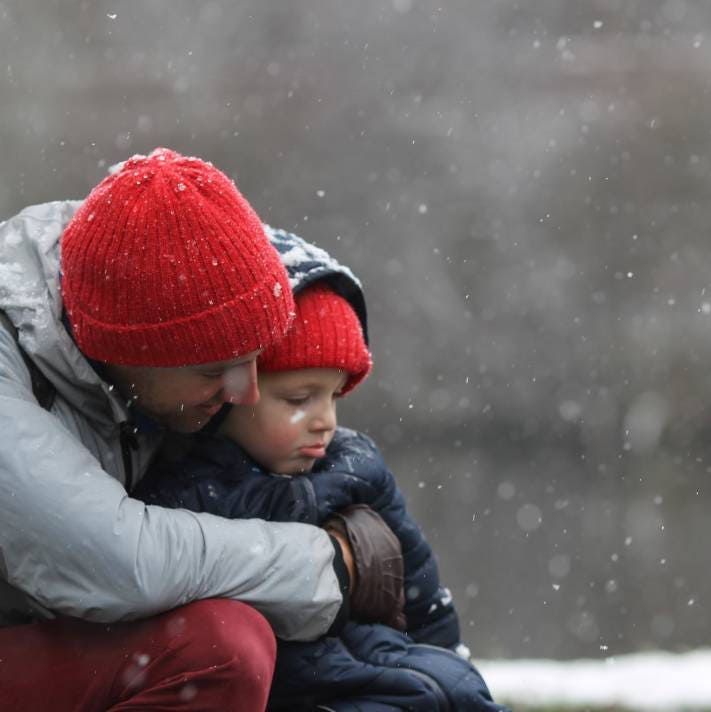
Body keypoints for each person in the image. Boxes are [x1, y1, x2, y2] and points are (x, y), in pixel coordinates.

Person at [0, 148, 382, 709]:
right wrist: (330, 564)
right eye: (214, 371)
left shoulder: (136, 293)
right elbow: (117, 562)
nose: (245, 393)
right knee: (221, 649)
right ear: (130, 350)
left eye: (256, 360)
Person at [135, 280, 507, 711]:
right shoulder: (185, 496)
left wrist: (447, 659)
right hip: (304, 690)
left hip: (386, 668)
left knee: (458, 693)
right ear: (229, 397)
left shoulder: (357, 468)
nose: (325, 421)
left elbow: (422, 597)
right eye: (299, 399)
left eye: (334, 396)